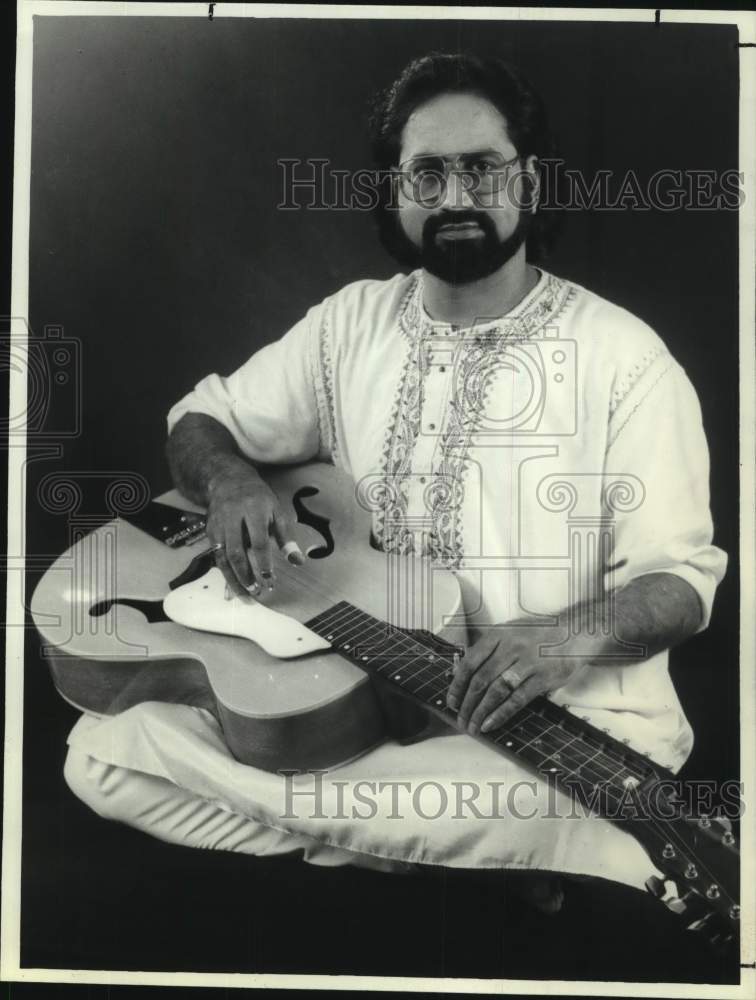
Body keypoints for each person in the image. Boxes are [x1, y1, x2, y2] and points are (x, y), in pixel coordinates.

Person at [64, 52, 727, 912]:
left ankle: (487, 842)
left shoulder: (626, 359)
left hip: (547, 732)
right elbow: (201, 418)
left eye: (482, 168)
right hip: (350, 704)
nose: (455, 196)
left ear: (530, 179)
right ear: (395, 190)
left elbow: (682, 583)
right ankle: (432, 853)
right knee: (98, 753)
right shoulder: (350, 324)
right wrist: (228, 480)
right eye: (428, 172)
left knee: (523, 807)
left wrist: (556, 641)